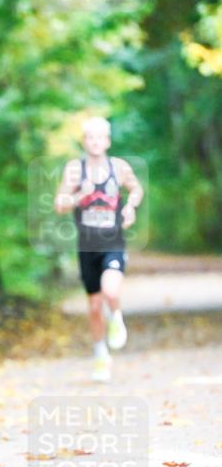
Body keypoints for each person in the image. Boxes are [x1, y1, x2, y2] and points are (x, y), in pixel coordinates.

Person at [54, 116, 143, 382]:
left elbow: (135, 189)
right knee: (93, 306)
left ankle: (116, 316)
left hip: (113, 242)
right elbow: (60, 203)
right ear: (85, 141)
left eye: (99, 137)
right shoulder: (75, 170)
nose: (94, 142)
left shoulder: (119, 168)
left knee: (110, 290)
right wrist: (79, 195)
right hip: (86, 246)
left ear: (107, 141)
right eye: (89, 137)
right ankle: (100, 354)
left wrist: (130, 207)